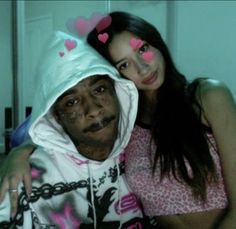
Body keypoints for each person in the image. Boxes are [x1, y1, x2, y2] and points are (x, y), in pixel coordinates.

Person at [1, 11, 236, 229]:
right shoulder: (126, 125)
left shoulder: (207, 96)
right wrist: (19, 152)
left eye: (143, 48)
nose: (143, 68)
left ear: (156, 42)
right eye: (124, 64)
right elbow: (55, 132)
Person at [0, 30, 155, 228]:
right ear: (56, 116)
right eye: (72, 102)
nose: (93, 110)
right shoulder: (27, 180)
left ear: (118, 92)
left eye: (99, 89)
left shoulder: (141, 153)